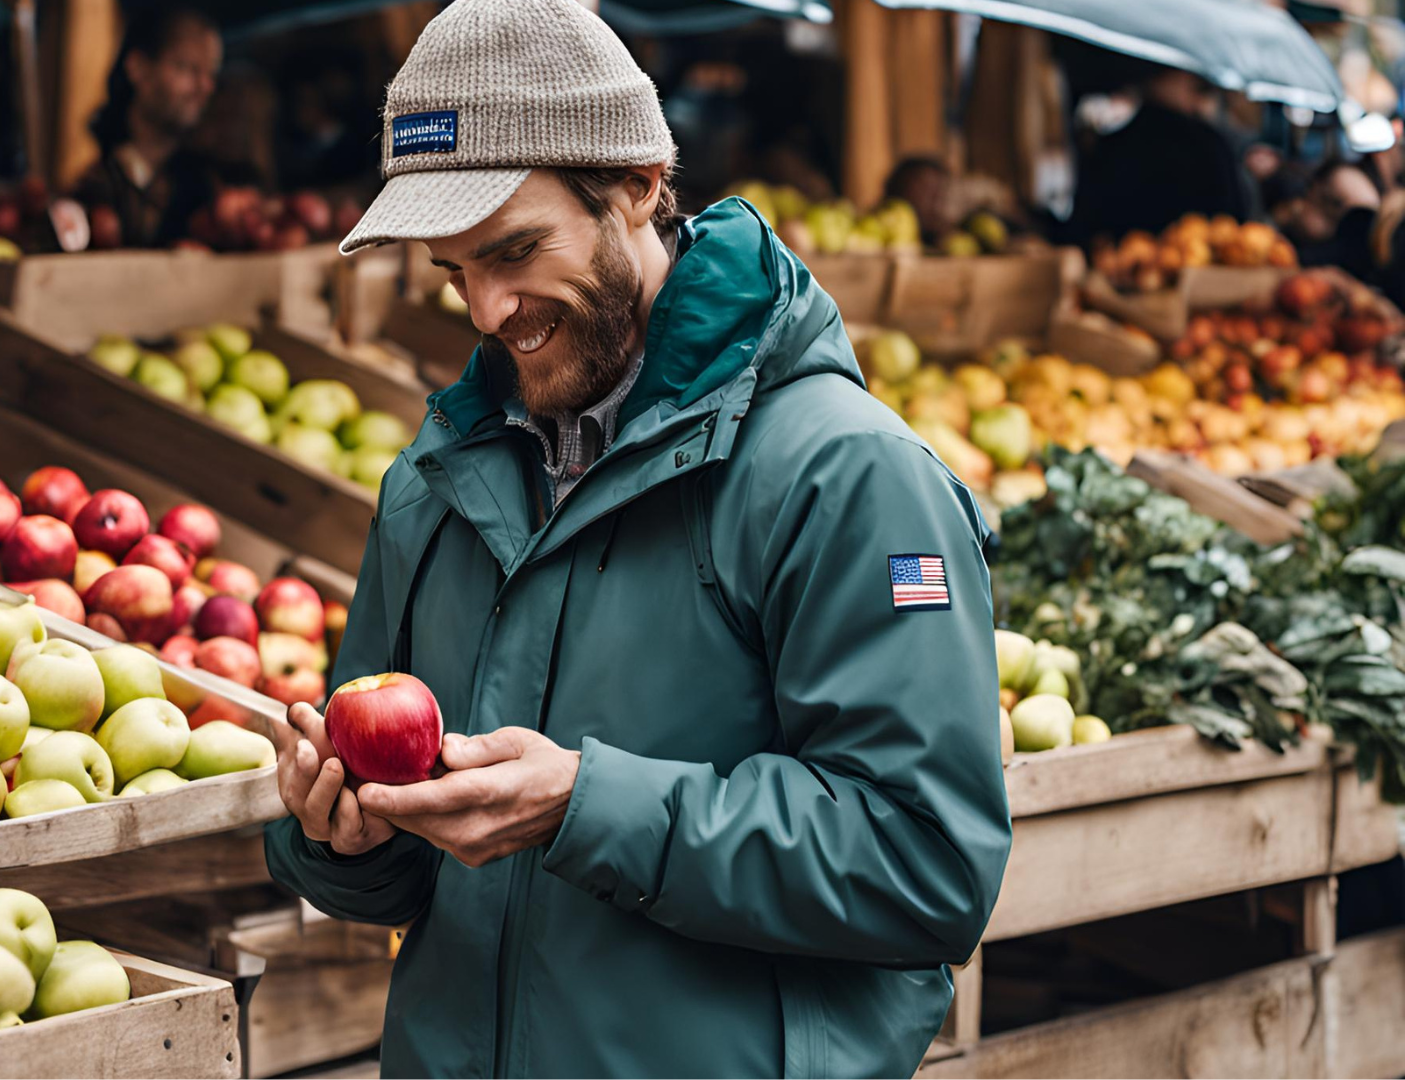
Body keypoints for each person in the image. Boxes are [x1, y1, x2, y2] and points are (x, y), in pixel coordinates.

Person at [260, 1, 1014, 1076]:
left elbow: (927, 867)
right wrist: (344, 840)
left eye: (515, 250)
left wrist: (585, 806)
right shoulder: (433, 483)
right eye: (453, 270)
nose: (486, 309)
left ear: (639, 186)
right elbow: (402, 874)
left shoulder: (845, 476)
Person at [76, 7, 223, 248]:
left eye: (211, 73)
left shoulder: (209, 184)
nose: (205, 87)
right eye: (186, 68)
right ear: (138, 68)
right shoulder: (91, 177)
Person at [1068, 68, 1258, 243]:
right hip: (1202, 274)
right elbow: (1235, 228)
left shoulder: (1108, 147)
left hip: (1115, 275)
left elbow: (1082, 230)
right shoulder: (1210, 145)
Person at [885, 155, 953, 244]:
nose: (935, 198)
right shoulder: (881, 231)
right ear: (900, 187)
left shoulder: (943, 232)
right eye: (925, 189)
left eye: (939, 190)